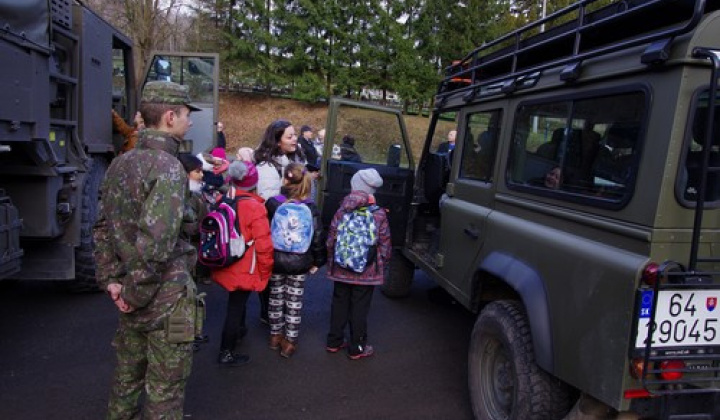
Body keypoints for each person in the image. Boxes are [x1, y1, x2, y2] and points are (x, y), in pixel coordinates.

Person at [93, 81, 201, 419]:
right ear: (170, 117)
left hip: (130, 294)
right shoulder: (169, 168)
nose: (190, 122)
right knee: (164, 394)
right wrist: (134, 294)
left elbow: (101, 227)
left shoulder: (119, 164)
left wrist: (114, 281)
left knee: (126, 380)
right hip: (164, 300)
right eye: (186, 115)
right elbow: (156, 244)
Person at [210, 160, 274, 366]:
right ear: (254, 182)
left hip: (225, 260)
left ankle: (239, 331)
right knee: (236, 306)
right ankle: (226, 351)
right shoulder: (255, 207)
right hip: (245, 265)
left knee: (237, 301)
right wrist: (266, 272)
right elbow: (264, 244)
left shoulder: (223, 200)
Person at [325, 168, 391, 360]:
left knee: (339, 303)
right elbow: (385, 242)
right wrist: (383, 263)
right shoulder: (378, 214)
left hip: (341, 267)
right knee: (360, 308)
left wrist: (331, 259)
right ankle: (357, 347)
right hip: (366, 270)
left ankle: (334, 341)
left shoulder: (341, 209)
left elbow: (331, 239)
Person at [265, 162, 327, 358]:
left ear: (284, 180)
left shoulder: (273, 202)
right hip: (300, 261)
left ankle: (275, 336)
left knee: (275, 297)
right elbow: (317, 236)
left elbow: (265, 231)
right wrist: (318, 261)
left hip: (275, 259)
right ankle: (290, 342)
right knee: (294, 300)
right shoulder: (310, 206)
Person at [254, 120, 307, 324]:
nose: (295, 139)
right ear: (277, 142)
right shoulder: (267, 168)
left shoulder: (291, 159)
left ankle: (278, 312)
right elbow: (268, 202)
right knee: (272, 273)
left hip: (288, 227)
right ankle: (269, 314)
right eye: (290, 136)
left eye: (295, 135)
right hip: (274, 227)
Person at [177, 153, 211, 348]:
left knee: (189, 296)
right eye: (197, 171)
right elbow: (195, 225)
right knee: (184, 298)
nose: (201, 175)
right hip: (185, 255)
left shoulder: (191, 195)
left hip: (189, 254)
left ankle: (190, 334)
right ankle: (185, 338)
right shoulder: (188, 198)